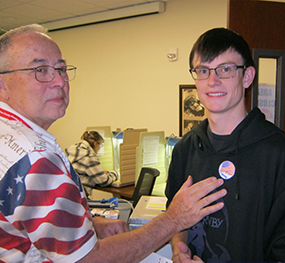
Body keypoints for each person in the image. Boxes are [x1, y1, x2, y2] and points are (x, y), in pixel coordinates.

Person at [0, 24, 227, 262]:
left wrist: (90, 226)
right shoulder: (34, 159)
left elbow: (25, 225)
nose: (58, 80)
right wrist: (174, 219)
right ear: (3, 83)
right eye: (40, 70)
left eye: (61, 68)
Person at [165, 27, 285, 263]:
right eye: (203, 70)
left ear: (247, 77)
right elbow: (174, 215)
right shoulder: (185, 149)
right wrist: (179, 249)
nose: (212, 81)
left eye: (225, 69)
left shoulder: (282, 156)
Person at [66, 130, 118, 198]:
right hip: (77, 197)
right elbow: (104, 181)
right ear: (96, 144)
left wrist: (100, 173)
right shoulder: (89, 156)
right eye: (100, 145)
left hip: (66, 192)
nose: (99, 148)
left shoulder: (74, 148)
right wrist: (115, 174)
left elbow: (81, 170)